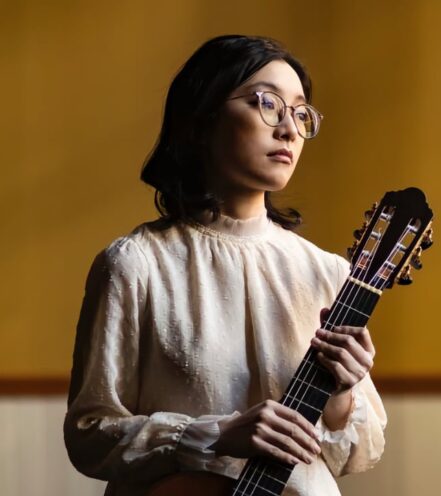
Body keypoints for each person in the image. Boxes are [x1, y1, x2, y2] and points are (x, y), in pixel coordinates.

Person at [63, 34, 387, 496]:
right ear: (203, 117)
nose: (289, 130)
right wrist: (213, 435)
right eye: (268, 104)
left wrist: (339, 392)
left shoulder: (328, 273)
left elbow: (355, 453)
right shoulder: (134, 265)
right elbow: (90, 434)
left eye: (300, 114)